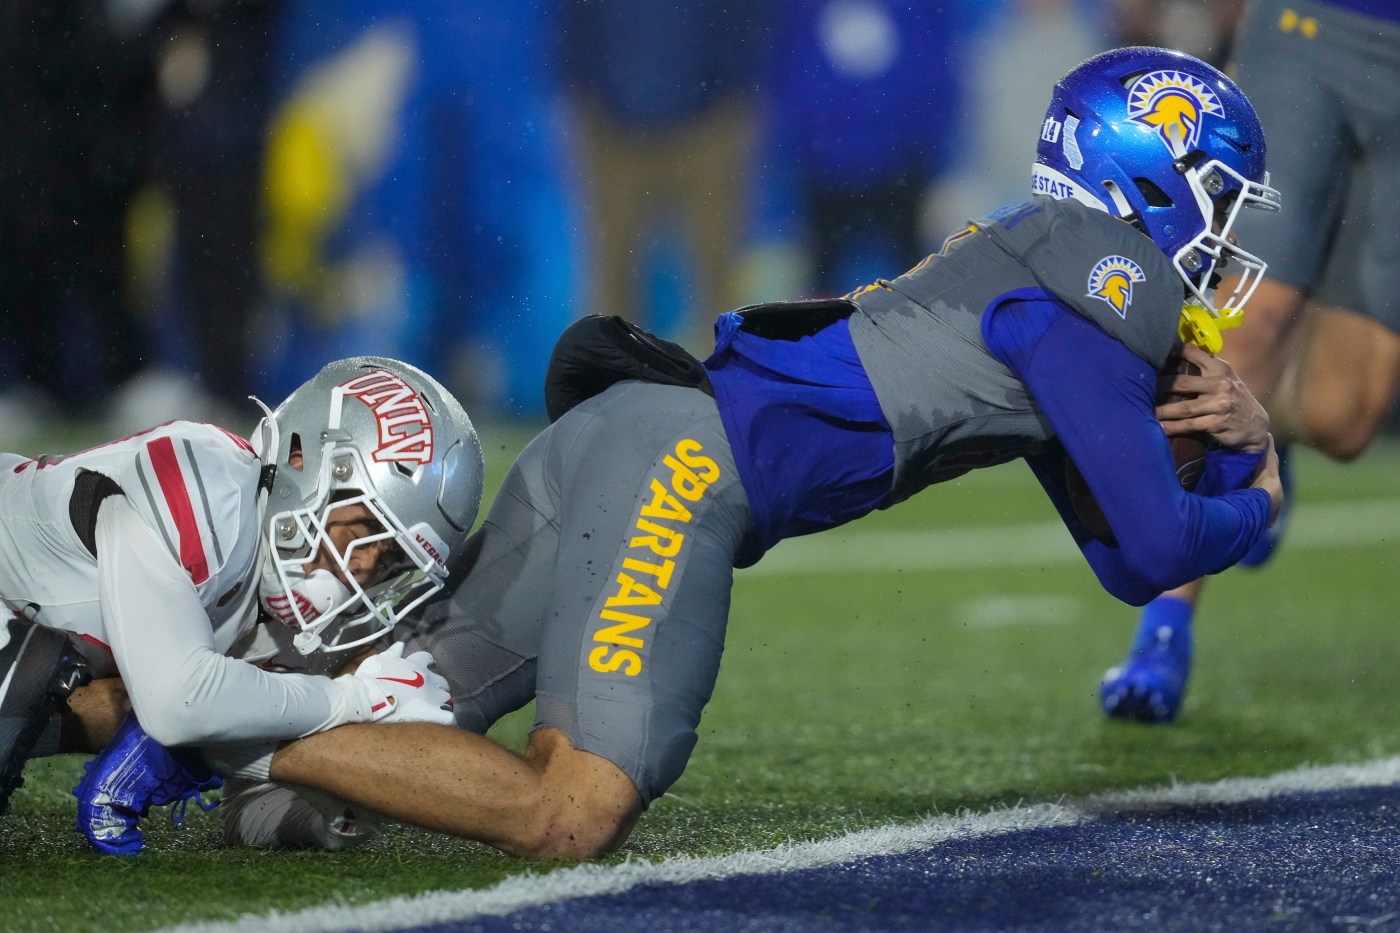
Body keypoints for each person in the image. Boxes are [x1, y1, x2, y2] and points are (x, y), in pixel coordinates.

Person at [76, 46, 1283, 859]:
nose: (1224, 236)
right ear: (1148, 174)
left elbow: (1129, 558)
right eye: (1217, 196)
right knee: (569, 810)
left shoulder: (1038, 264)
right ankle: (212, 712)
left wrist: (1224, 456)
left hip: (622, 430)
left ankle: (140, 705)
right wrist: (1260, 488)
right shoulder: (1094, 275)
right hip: (682, 466)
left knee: (311, 802)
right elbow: (1162, 538)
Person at [0, 356, 483, 850]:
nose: (360, 571)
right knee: (24, 669)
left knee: (33, 671)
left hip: (34, 632)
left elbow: (250, 810)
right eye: (361, 533)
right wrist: (353, 702)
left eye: (390, 562)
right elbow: (180, 703)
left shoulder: (304, 619)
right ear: (303, 460)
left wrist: (330, 813)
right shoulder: (207, 481)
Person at [1099, 0, 1400, 724]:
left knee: (1344, 417)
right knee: (1249, 320)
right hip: (1313, 29)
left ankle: (1268, 438)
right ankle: (1164, 629)